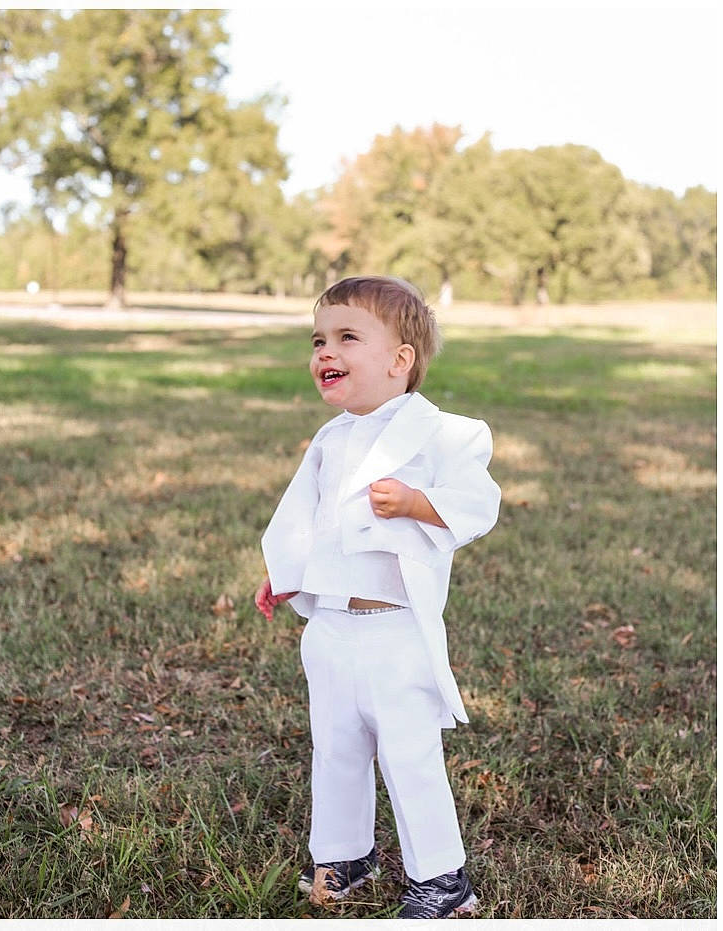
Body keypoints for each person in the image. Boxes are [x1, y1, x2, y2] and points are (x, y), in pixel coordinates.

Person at [254, 276, 501, 919]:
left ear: (400, 360)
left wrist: (418, 503)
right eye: (318, 340)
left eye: (346, 338)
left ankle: (442, 881)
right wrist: (283, 572)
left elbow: (478, 505)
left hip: (394, 631)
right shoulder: (330, 440)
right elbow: (302, 518)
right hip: (331, 628)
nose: (324, 352)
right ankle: (344, 854)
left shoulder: (448, 434)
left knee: (408, 757)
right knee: (334, 748)